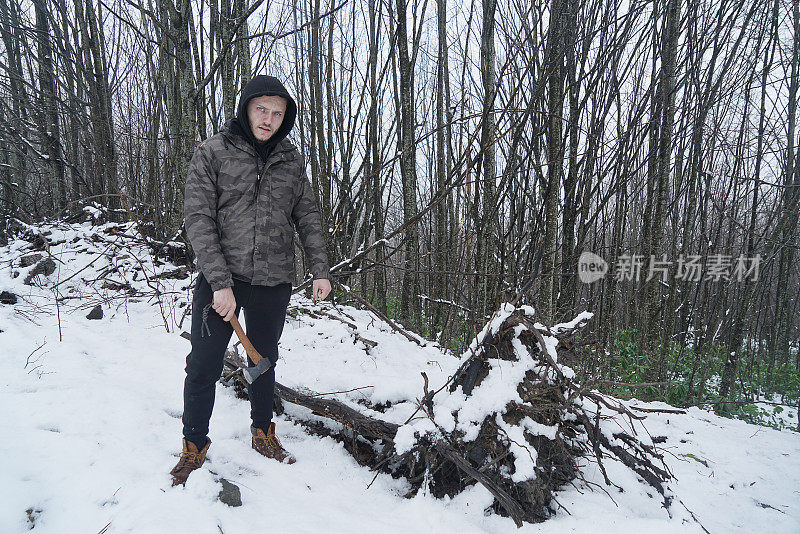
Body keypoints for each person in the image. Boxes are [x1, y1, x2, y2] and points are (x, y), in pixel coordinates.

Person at [170, 75, 332, 486]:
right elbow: (198, 219)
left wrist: (320, 269)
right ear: (246, 108)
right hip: (220, 280)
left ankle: (263, 433)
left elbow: (308, 217)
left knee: (264, 361)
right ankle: (194, 444)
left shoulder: (291, 161)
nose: (269, 119)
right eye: (262, 109)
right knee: (203, 364)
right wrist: (220, 282)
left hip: (273, 280)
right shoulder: (213, 152)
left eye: (278, 113)